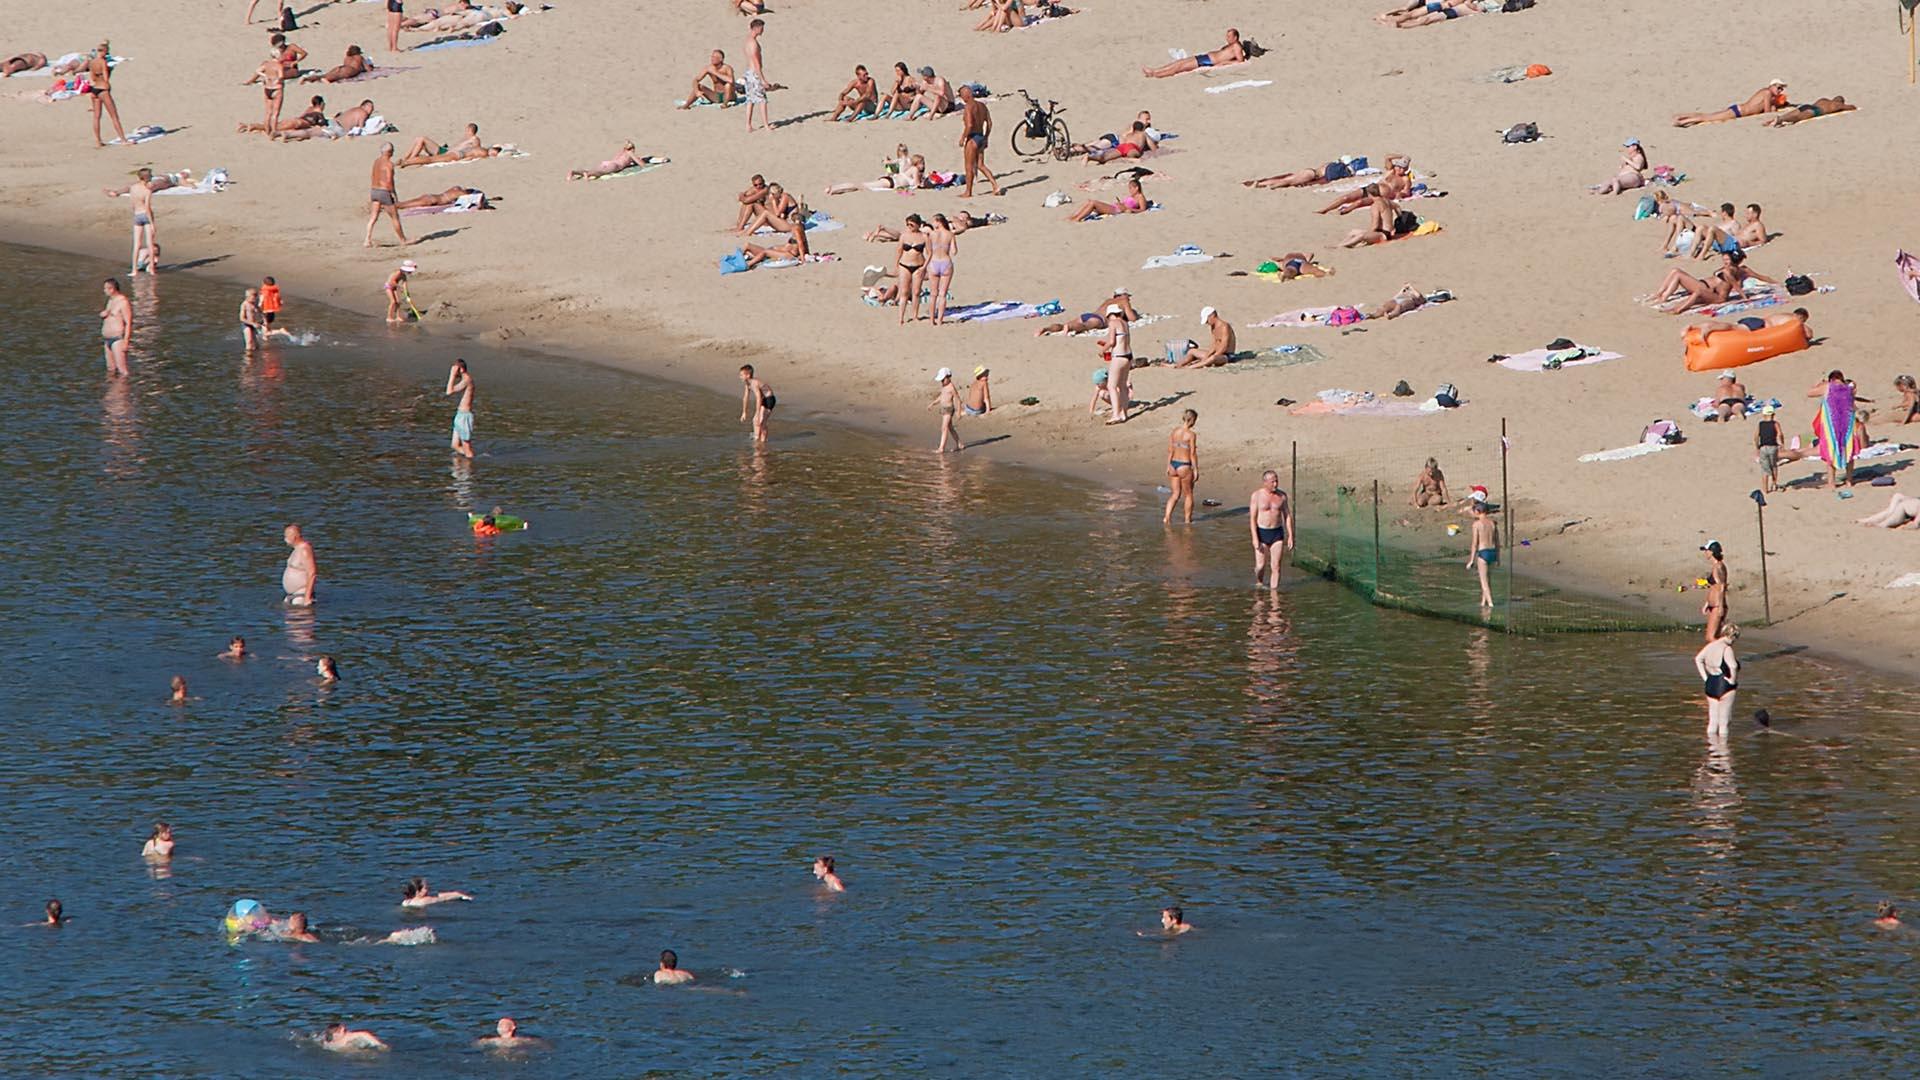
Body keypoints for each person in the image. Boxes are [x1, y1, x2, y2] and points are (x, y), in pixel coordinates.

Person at [1808, 369, 1865, 488]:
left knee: (1831, 451)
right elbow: (1854, 390)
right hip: (1848, 424)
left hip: (1831, 425)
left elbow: (1810, 393)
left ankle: (1831, 482)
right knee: (1848, 450)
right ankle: (1849, 480)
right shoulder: (1849, 388)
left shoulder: (1827, 387)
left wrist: (1819, 383)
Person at [1694, 623, 1741, 739]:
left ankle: (1712, 750)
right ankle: (1724, 751)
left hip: (1711, 684)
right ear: (1733, 636)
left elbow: (1698, 659)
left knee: (1712, 721)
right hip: (1724, 685)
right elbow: (1733, 666)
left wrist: (1705, 678)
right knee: (1723, 723)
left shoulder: (1710, 645)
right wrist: (1732, 681)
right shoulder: (1727, 648)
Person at [1672, 80, 1788, 126]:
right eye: (1778, 88)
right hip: (1739, 111)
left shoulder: (1767, 94)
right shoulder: (1767, 93)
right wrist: (1775, 107)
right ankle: (1683, 121)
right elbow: (1766, 112)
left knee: (1710, 115)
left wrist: (1776, 105)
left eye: (1781, 89)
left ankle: (1682, 116)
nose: (1780, 91)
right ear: (1771, 85)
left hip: (1738, 110)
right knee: (1708, 118)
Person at [955, 85, 1001, 199]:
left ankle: (968, 192)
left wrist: (963, 137)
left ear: (966, 95)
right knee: (980, 165)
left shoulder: (969, 107)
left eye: (961, 96)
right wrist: (986, 137)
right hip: (980, 136)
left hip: (973, 138)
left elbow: (969, 124)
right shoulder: (982, 105)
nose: (961, 98)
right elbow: (989, 123)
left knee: (969, 166)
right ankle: (995, 186)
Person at [1142, 29, 1247, 77]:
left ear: (1235, 37)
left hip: (1207, 61)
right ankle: (1155, 70)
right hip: (1205, 57)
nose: (1227, 38)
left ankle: (1155, 74)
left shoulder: (1236, 46)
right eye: (1227, 35)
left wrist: (1223, 64)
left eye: (1229, 36)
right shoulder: (1231, 45)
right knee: (1180, 62)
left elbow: (1240, 61)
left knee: (1179, 67)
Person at [1250, 470, 1292, 591]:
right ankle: (1259, 581)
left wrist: (1290, 535)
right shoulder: (1256, 496)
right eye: (1272, 481)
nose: (1275, 484)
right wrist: (1255, 538)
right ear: (1265, 482)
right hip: (1262, 533)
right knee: (1260, 565)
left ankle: (1274, 596)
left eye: (1276, 481)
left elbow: (1287, 516)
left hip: (1277, 533)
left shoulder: (1282, 496)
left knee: (1276, 567)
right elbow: (1252, 519)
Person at [365, 143, 409, 248]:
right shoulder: (388, 164)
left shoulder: (377, 161)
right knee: (394, 217)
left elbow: (374, 175)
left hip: (374, 190)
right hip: (384, 191)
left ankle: (367, 239)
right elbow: (389, 180)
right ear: (390, 152)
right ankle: (403, 240)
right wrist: (393, 193)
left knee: (373, 217)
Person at [398, 124, 501, 167]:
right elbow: (471, 154)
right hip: (455, 153)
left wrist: (463, 160)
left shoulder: (476, 141)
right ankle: (407, 160)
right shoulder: (482, 151)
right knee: (431, 158)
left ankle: (407, 161)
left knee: (431, 159)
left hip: (456, 154)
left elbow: (472, 154)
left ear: (470, 129)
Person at [86, 43, 127, 147]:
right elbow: (106, 77)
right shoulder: (102, 62)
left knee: (96, 117)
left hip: (94, 89)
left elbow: (92, 78)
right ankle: (123, 139)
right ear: (104, 52)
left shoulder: (92, 62)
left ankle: (98, 141)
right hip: (103, 89)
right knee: (114, 116)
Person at [1164, 409, 1200, 524]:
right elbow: (1192, 453)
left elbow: (1170, 450)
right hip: (1184, 465)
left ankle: (1167, 518)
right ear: (1192, 420)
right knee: (1188, 494)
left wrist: (1168, 465)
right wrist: (1195, 469)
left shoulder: (1174, 432)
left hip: (1173, 464)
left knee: (1175, 494)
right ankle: (1187, 520)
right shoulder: (1191, 435)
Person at [1243, 156, 1364, 190]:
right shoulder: (1336, 170)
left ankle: (1261, 182)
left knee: (1289, 178)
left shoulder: (1330, 164)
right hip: (1311, 175)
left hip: (1311, 171)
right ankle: (1263, 185)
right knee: (1287, 182)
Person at [1099, 304, 1132, 424]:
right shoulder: (1125, 323)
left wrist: (1103, 350)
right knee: (1122, 386)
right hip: (1128, 356)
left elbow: (1112, 342)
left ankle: (1116, 414)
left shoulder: (1113, 323)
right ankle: (1124, 413)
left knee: (1111, 386)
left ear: (1110, 315)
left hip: (1118, 356)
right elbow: (1120, 340)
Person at [894, 214, 930, 324]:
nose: (909, 226)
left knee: (916, 292)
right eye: (907, 224)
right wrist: (896, 265)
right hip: (904, 265)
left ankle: (915, 315)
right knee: (904, 292)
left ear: (918, 225)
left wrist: (925, 267)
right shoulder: (904, 236)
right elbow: (899, 250)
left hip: (919, 265)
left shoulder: (924, 236)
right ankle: (901, 317)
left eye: (911, 224)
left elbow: (929, 253)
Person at [926, 214, 959, 324]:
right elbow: (954, 251)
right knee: (943, 294)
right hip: (945, 262)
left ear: (938, 222)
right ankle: (940, 320)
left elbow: (928, 251)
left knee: (933, 294)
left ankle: (931, 320)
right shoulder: (950, 234)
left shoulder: (931, 234)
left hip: (934, 262)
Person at [1069, 177, 1147, 222]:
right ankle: (1074, 216)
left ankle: (1078, 218)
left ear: (1136, 188)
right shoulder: (1132, 196)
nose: (1129, 190)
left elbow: (1143, 209)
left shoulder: (1140, 197)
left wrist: (1129, 209)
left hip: (1116, 210)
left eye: (1131, 188)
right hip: (1115, 207)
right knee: (1089, 202)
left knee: (1093, 203)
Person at [1466, 500, 1498, 608]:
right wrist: (1498, 558)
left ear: (1478, 511)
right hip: (1493, 552)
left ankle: (1490, 604)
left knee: (1484, 582)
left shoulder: (1477, 524)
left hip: (1483, 553)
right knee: (1488, 580)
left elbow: (1475, 543)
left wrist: (1471, 560)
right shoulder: (1493, 523)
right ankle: (1483, 603)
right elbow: (1497, 542)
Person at [100, 277, 133, 376]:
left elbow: (128, 323)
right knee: (110, 369)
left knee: (122, 370)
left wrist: (126, 341)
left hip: (117, 339)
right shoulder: (110, 301)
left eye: (106, 288)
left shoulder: (123, 302)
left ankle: (124, 389)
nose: (104, 291)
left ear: (112, 289)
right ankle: (112, 390)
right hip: (107, 339)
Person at [568, 141, 649, 180]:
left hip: (607, 162)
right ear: (633, 148)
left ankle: (574, 172)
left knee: (595, 170)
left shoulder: (621, 152)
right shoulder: (630, 153)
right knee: (601, 173)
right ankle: (588, 174)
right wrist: (640, 160)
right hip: (615, 165)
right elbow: (642, 164)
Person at [1083, 121, 1157, 164]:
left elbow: (1121, 143)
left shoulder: (1128, 135)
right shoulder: (1143, 134)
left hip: (1122, 146)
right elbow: (1153, 147)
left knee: (1105, 158)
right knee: (1132, 156)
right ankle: (1129, 159)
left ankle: (1090, 157)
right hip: (1132, 147)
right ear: (1143, 128)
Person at [128, 169, 157, 275]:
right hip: (145, 214)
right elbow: (148, 207)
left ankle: (134, 270)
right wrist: (152, 223)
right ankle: (152, 269)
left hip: (137, 214)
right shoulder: (147, 191)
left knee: (137, 245)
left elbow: (132, 203)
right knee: (149, 244)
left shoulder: (133, 188)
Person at [742, 19, 769, 133]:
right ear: (757, 28)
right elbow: (756, 62)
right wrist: (762, 79)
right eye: (762, 28)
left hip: (749, 73)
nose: (763, 30)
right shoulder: (753, 43)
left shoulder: (747, 41)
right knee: (762, 100)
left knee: (750, 100)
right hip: (754, 74)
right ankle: (766, 125)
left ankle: (748, 125)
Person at [1699, 540, 1729, 641]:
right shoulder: (1715, 566)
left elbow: (1722, 587)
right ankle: (1719, 655)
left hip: (1717, 606)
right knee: (1715, 636)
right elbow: (1713, 586)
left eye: (1706, 550)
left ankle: (1725, 654)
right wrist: (1707, 603)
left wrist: (1720, 606)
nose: (1705, 553)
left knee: (1710, 637)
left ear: (1712, 552)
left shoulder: (1719, 567)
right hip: (1713, 605)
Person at [1762, 95, 1855, 127]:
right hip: (1817, 110)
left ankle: (1775, 119)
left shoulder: (1823, 99)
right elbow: (1852, 107)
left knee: (1791, 113)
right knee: (1798, 117)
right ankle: (1779, 120)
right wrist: (1843, 106)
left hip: (1808, 106)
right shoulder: (1837, 104)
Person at [931, 367, 965, 452]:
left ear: (948, 377)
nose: (942, 382)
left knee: (944, 427)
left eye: (943, 380)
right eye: (941, 381)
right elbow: (942, 396)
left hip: (949, 409)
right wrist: (933, 403)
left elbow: (958, 399)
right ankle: (959, 444)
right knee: (950, 428)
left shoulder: (951, 387)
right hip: (943, 409)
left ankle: (941, 448)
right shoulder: (944, 386)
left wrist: (959, 412)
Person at [446, 358, 475, 458]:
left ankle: (470, 463)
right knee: (454, 445)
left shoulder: (467, 380)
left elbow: (449, 391)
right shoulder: (464, 380)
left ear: (461, 369)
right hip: (460, 415)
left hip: (465, 416)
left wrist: (452, 375)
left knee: (466, 446)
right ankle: (468, 459)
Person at [739, 364, 775, 443]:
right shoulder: (747, 384)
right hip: (763, 399)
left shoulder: (754, 383)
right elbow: (745, 397)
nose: (740, 377)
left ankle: (763, 441)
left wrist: (758, 413)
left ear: (748, 375)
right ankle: (757, 438)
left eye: (741, 375)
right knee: (755, 420)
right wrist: (744, 412)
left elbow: (758, 398)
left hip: (769, 400)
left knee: (761, 421)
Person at [283, 523, 317, 606]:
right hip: (292, 595)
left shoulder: (304, 550)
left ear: (294, 537)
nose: (285, 539)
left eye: (286, 536)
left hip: (301, 595)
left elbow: (312, 573)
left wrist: (307, 597)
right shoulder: (296, 549)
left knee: (300, 617)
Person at [303, 45, 374, 83]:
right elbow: (368, 69)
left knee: (325, 75)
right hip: (350, 70)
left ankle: (309, 78)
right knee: (335, 77)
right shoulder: (359, 57)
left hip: (341, 67)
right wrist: (370, 66)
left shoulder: (347, 57)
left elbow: (346, 64)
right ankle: (325, 80)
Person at [1756, 404, 1781, 493]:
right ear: (1773, 415)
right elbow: (1779, 434)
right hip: (1773, 447)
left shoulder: (1761, 424)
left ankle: (1765, 489)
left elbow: (1756, 436)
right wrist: (1782, 444)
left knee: (1764, 469)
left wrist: (1757, 447)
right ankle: (1774, 484)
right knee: (1773, 465)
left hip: (1763, 447)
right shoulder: (1775, 424)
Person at [477, 1017, 545, 1050]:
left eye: (502, 1024)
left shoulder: (491, 1040)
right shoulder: (521, 1040)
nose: (500, 1026)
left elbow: (477, 1045)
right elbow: (542, 1044)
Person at [401, 877, 473, 906]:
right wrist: (458, 895)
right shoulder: (425, 901)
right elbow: (442, 898)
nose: (428, 889)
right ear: (417, 892)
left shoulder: (406, 902)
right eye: (425, 888)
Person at [323, 1023, 389, 1053]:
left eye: (337, 1033)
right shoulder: (326, 1039)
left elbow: (363, 1034)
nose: (335, 1036)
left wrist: (379, 1044)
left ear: (342, 1029)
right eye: (333, 1035)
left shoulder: (349, 1036)